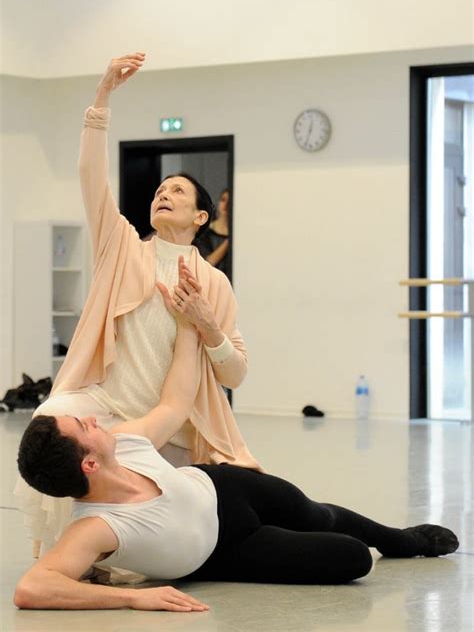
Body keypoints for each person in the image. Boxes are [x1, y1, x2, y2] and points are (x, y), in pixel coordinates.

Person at [15, 299, 459, 611]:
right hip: (227, 550)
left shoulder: (125, 440)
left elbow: (174, 402)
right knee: (351, 558)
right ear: (87, 464)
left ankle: (403, 540)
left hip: (224, 485)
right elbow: (32, 589)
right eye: (83, 427)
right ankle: (375, 544)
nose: (94, 420)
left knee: (317, 514)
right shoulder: (93, 527)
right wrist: (134, 596)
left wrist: (189, 328)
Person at [15, 53, 259, 556]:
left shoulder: (214, 283)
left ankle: (112, 552)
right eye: (160, 190)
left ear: (201, 216)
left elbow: (235, 375)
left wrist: (209, 328)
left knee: (217, 516)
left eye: (177, 191)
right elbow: (90, 175)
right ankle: (69, 552)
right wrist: (101, 98)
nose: (163, 194)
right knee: (50, 421)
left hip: (169, 422)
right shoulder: (122, 247)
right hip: (103, 403)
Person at [196, 188, 231, 278]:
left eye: (230, 201)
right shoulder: (205, 231)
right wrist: (229, 241)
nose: (226, 204)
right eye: (223, 200)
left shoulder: (241, 233)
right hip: (213, 282)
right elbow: (208, 262)